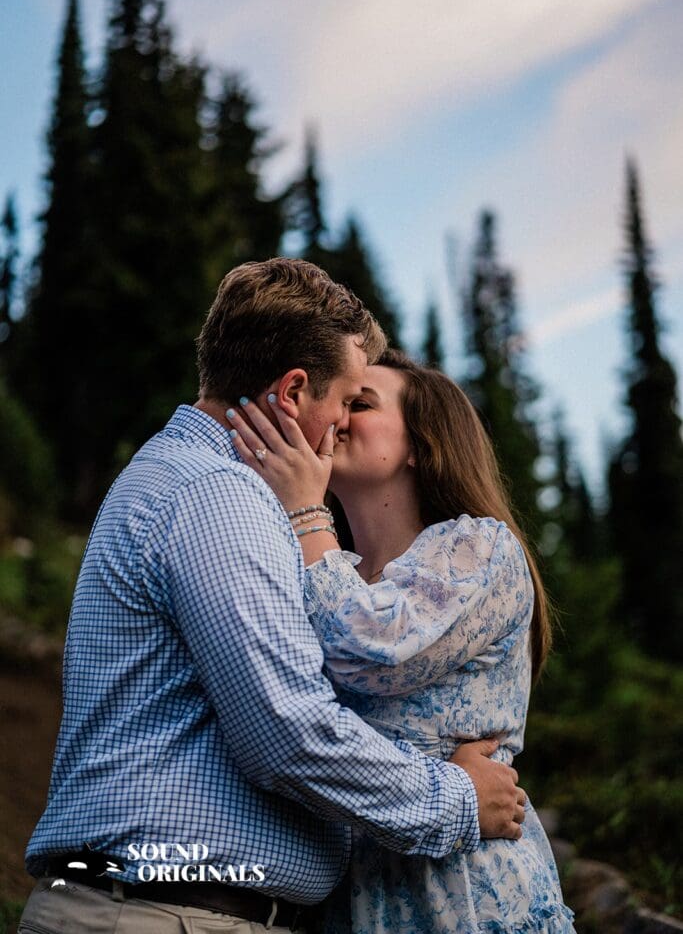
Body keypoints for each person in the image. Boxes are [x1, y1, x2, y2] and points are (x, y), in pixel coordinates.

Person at [19, 260, 525, 934]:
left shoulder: (192, 482)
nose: (342, 423)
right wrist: (455, 800)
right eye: (347, 399)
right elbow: (286, 734)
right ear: (291, 391)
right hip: (165, 914)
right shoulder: (218, 495)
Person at [227, 347, 576, 934]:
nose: (337, 417)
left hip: (463, 894)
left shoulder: (478, 548)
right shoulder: (319, 568)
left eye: (359, 403)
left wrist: (306, 513)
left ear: (421, 445)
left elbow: (368, 650)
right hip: (343, 901)